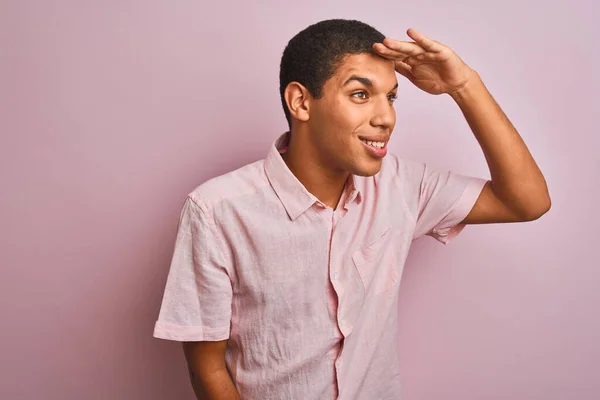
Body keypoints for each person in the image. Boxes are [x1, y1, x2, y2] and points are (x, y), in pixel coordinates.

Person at [153, 19, 550, 400]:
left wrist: (464, 85)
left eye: (391, 96)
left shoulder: (401, 187)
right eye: (361, 94)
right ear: (301, 102)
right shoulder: (217, 210)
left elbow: (527, 201)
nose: (386, 117)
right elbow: (206, 367)